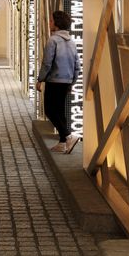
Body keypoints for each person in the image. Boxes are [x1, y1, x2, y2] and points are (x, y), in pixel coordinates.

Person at [36, 10, 81, 153]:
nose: (49, 23)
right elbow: (77, 65)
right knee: (60, 111)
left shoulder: (53, 40)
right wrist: (72, 82)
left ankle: (68, 136)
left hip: (54, 80)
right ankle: (62, 143)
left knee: (49, 109)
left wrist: (40, 79)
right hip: (66, 81)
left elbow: (47, 63)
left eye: (51, 21)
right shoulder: (72, 42)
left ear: (57, 23)